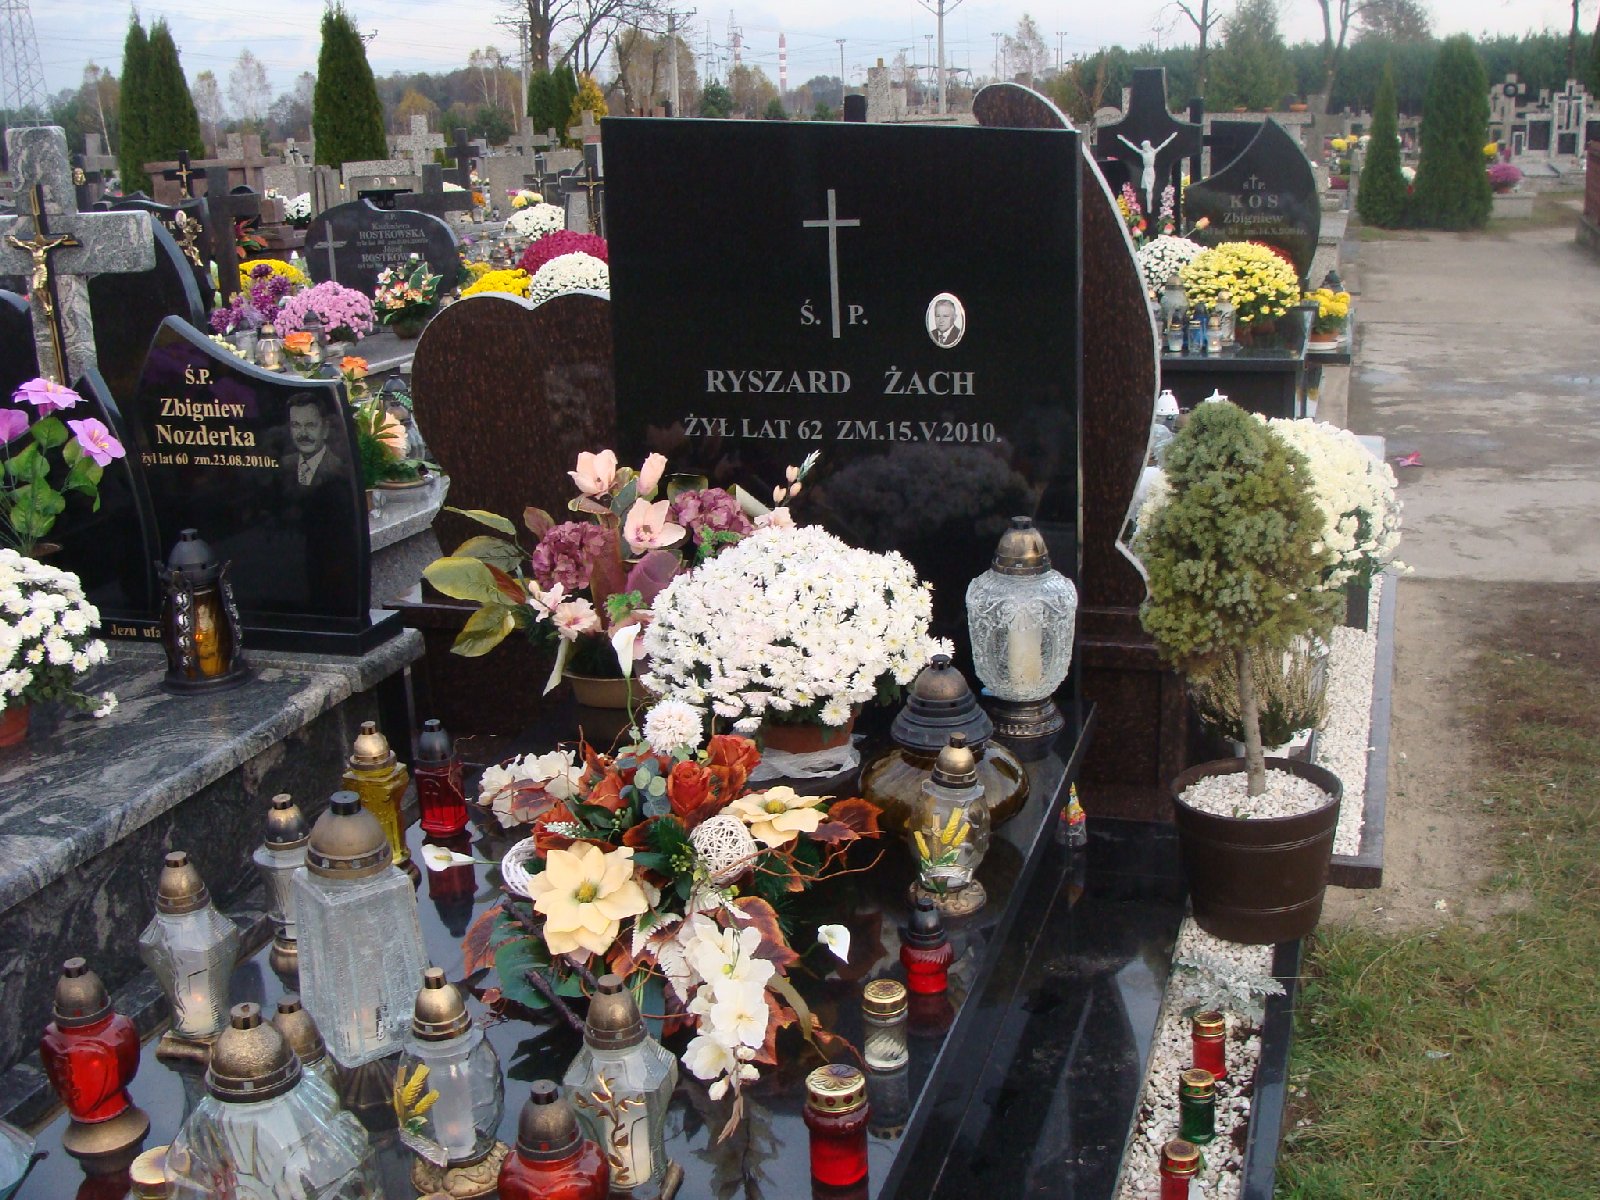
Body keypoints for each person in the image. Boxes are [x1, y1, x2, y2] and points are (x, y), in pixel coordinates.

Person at [282, 392, 348, 489]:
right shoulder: (285, 464)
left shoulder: (339, 468)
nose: (303, 433)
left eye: (310, 425)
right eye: (296, 425)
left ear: (325, 428)